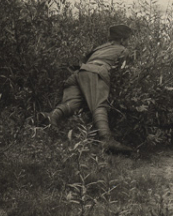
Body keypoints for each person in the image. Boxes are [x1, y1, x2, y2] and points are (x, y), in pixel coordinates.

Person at [46, 24, 134, 153]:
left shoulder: (100, 47)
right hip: (96, 72)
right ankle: (106, 139)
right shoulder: (123, 50)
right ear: (122, 40)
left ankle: (51, 119)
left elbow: (86, 60)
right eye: (128, 40)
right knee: (99, 105)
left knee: (73, 103)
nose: (128, 43)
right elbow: (124, 72)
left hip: (79, 72)